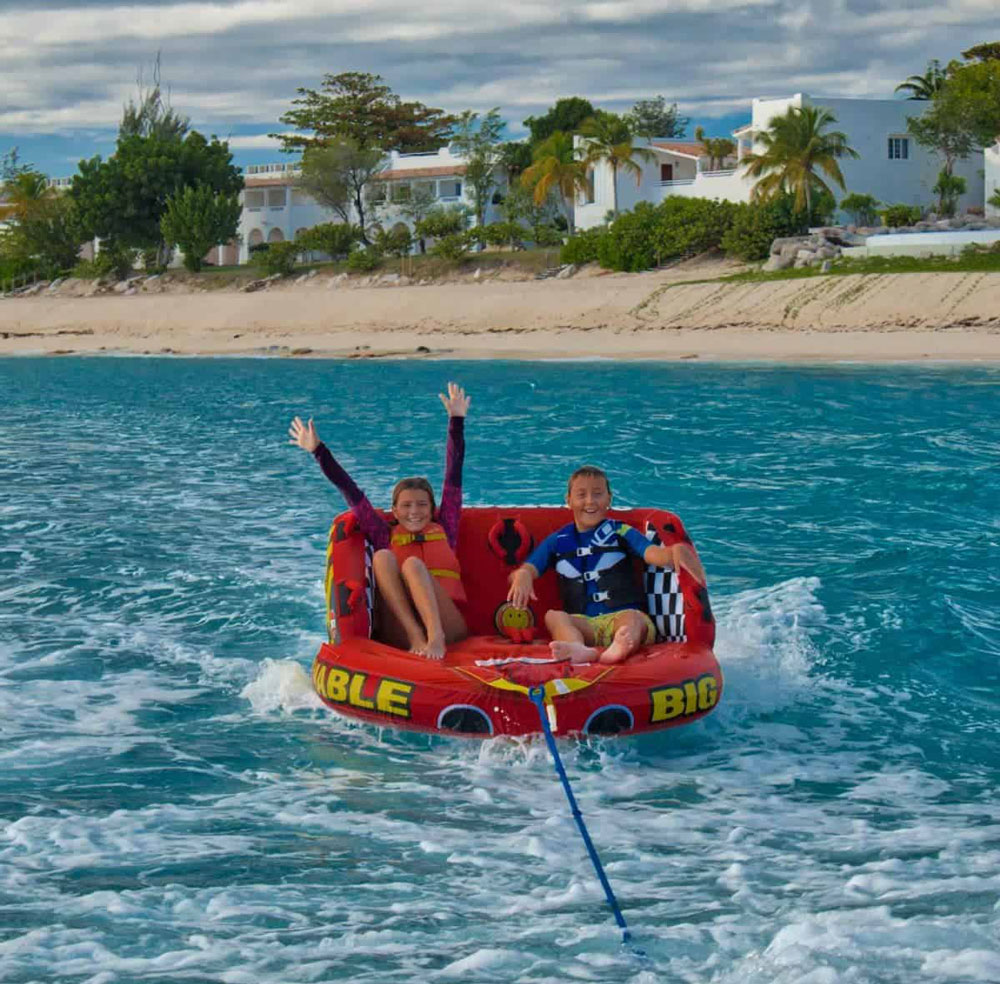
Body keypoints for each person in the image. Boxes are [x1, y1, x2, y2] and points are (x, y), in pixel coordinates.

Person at [289, 382, 470, 660]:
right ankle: (416, 637)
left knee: (411, 564)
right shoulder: (383, 534)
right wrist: (318, 451)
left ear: (433, 508)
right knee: (385, 558)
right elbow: (350, 491)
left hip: (448, 625)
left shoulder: (445, 526)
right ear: (394, 511)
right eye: (406, 506)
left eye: (422, 505)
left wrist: (456, 422)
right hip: (402, 627)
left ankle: (436, 638)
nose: (415, 512)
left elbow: (453, 473)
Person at [506, 465, 680, 665]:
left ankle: (620, 648)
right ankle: (578, 649)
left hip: (621, 618)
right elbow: (528, 567)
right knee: (554, 617)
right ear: (568, 500)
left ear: (609, 499)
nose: (590, 501)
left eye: (597, 494)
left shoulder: (620, 531)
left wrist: (673, 553)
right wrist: (523, 577)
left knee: (633, 620)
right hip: (585, 624)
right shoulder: (558, 540)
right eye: (581, 494)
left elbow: (653, 554)